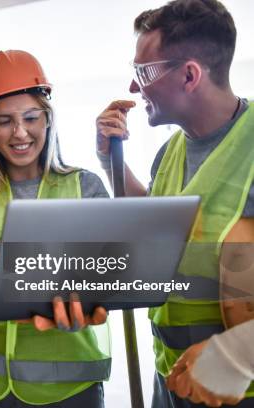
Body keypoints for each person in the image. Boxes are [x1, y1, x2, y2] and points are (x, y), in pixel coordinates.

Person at [95, 0, 254, 406]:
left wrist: (238, 354)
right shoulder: (169, 154)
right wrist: (108, 160)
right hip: (174, 380)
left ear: (189, 75)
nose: (134, 87)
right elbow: (159, 226)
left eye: (143, 72)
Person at [0, 49, 110, 407]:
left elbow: (115, 267)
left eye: (31, 118)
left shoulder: (84, 187)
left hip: (69, 388)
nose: (20, 133)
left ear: (47, 120)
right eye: (4, 121)